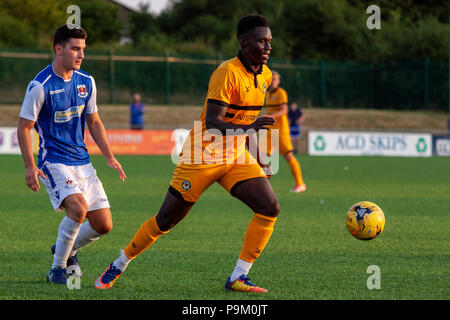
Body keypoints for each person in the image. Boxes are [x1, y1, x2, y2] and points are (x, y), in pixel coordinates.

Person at [95, 14, 278, 293]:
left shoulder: (264, 76)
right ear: (243, 42)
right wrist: (252, 127)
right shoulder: (227, 72)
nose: (267, 46)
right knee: (165, 221)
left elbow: (245, 119)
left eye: (269, 41)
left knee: (269, 208)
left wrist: (259, 157)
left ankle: (238, 277)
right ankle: (120, 263)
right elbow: (215, 122)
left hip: (235, 155)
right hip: (201, 156)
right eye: (261, 41)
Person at [17, 25, 126, 285]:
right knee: (78, 209)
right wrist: (30, 166)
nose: (81, 55)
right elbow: (24, 127)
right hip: (53, 161)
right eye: (75, 49)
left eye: (83, 50)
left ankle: (64, 249)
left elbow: (95, 122)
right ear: (59, 49)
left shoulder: (86, 82)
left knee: (103, 225)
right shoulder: (40, 85)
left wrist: (110, 156)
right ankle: (57, 268)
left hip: (82, 161)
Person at [261, 71, 306, 193]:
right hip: (270, 129)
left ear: (279, 81)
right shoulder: (267, 94)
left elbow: (284, 110)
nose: (273, 81)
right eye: (272, 79)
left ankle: (300, 184)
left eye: (275, 79)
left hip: (281, 130)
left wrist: (270, 116)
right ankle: (260, 185)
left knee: (288, 155)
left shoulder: (281, 93)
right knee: (260, 155)